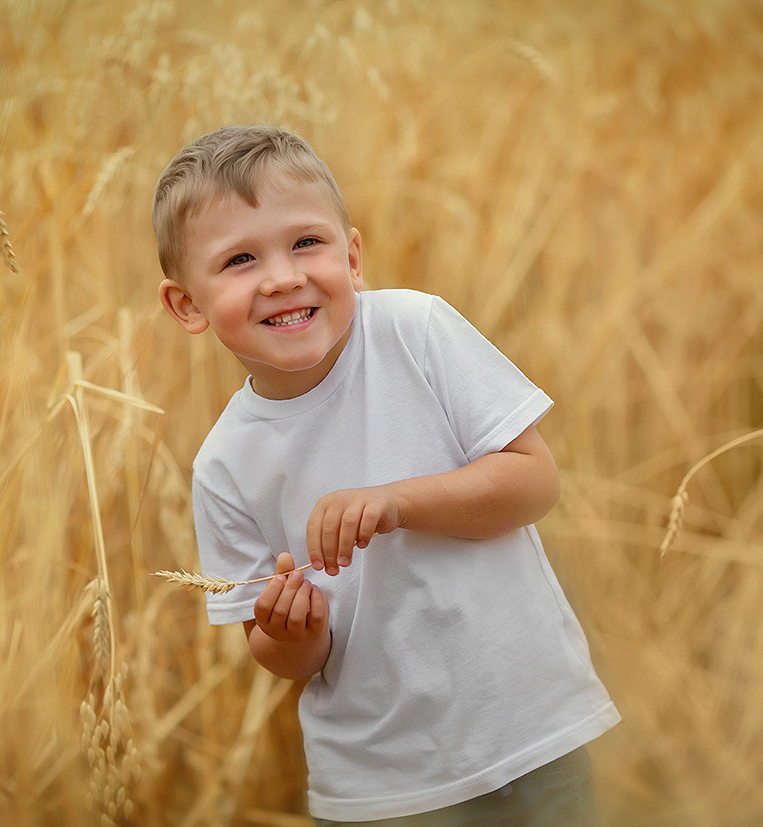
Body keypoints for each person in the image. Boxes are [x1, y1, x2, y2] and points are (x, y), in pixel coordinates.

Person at [153, 124, 620, 826]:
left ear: (353, 254)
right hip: (385, 782)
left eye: (306, 242)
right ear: (187, 304)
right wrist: (288, 631)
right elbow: (288, 658)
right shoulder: (225, 463)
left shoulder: (416, 331)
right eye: (241, 259)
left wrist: (396, 501)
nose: (283, 276)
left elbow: (533, 483)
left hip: (531, 731)